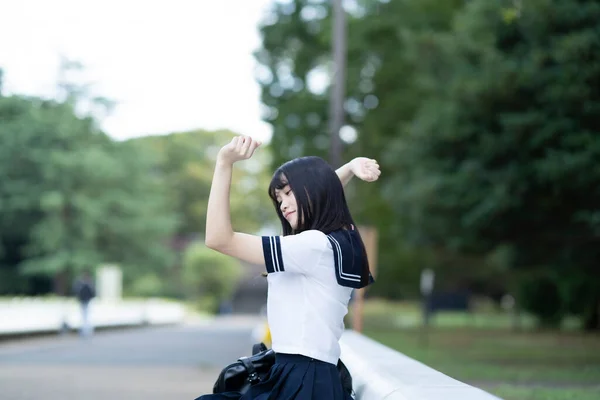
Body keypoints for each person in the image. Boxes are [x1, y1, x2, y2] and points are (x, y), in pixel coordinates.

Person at [197, 136, 380, 400]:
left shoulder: (313, 246)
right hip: (303, 374)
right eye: (278, 197)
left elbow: (218, 238)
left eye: (287, 193)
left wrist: (224, 163)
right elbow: (322, 194)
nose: (282, 205)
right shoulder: (329, 243)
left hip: (303, 378)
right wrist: (349, 168)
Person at [72, 270, 96, 338]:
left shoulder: (88, 283)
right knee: (84, 316)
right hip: (83, 301)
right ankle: (84, 330)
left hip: (87, 301)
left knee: (86, 316)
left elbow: (92, 292)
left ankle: (86, 330)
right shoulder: (82, 283)